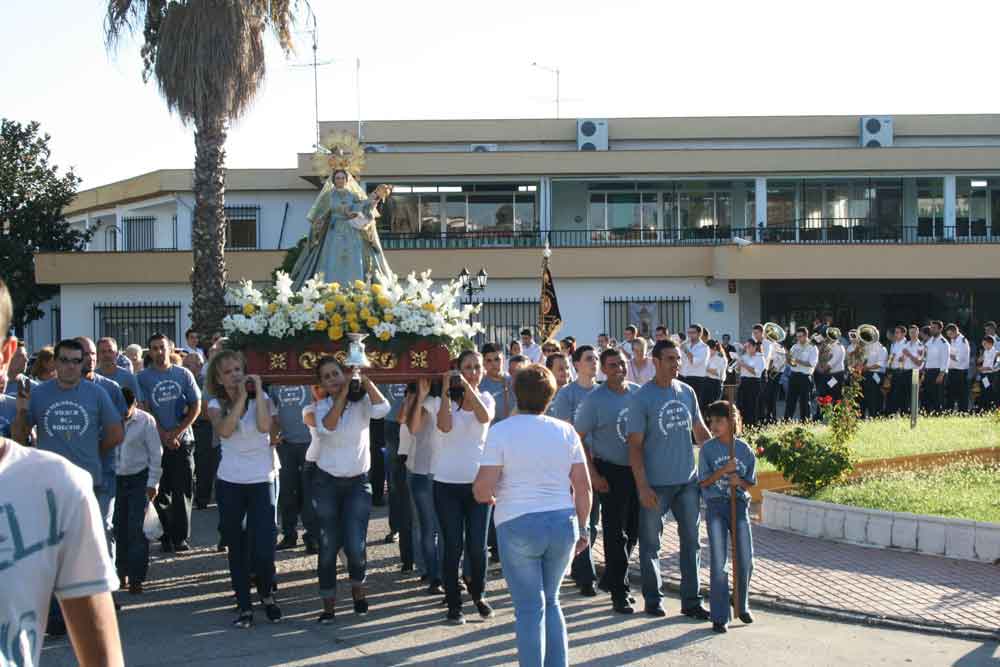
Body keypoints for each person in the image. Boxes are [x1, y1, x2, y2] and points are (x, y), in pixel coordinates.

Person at [0, 283, 124, 666]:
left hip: (85, 487)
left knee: (87, 559)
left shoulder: (59, 482)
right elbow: (23, 432)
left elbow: (115, 433)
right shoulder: (38, 394)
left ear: (5, 355)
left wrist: (85, 460)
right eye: (65, 360)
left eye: (76, 360)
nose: (71, 366)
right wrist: (22, 414)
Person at [474, 364, 591, 667]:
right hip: (561, 522)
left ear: (515, 393)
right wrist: (584, 528)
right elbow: (583, 487)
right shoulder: (565, 431)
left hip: (517, 521)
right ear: (550, 397)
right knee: (551, 601)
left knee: (528, 608)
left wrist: (495, 496)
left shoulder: (499, 432)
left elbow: (482, 490)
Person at [627, 339, 711, 620]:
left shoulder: (687, 392)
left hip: (687, 482)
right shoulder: (642, 398)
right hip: (655, 485)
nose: (677, 363)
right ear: (656, 362)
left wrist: (718, 456)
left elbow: (700, 431)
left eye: (678, 358)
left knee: (692, 542)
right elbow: (634, 446)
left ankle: (691, 601)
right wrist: (642, 486)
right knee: (651, 545)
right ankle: (653, 599)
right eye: (670, 359)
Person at [305, 356, 389, 623]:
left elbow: (383, 409)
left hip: (357, 483)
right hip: (327, 483)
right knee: (328, 546)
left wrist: (363, 379)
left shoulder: (363, 401)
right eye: (327, 377)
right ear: (321, 383)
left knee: (355, 544)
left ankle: (358, 592)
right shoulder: (321, 406)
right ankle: (328, 606)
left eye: (336, 374)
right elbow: (328, 427)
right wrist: (341, 396)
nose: (332, 380)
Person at [205, 350, 282, 627]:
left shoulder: (263, 400)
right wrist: (238, 400)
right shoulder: (214, 403)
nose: (235, 375)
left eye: (239, 369)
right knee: (236, 545)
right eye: (228, 372)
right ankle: (244, 604)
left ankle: (266, 593)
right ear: (218, 377)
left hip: (262, 479)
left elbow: (264, 428)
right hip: (231, 482)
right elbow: (225, 430)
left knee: (263, 545)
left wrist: (257, 391)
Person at [427, 350, 495, 625]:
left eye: (477, 367)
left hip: (477, 484)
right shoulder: (443, 402)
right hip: (446, 484)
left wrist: (468, 388)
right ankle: (454, 603)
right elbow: (444, 426)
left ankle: (478, 593)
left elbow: (483, 417)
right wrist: (447, 388)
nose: (473, 372)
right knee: (453, 544)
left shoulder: (487, 398)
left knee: (478, 547)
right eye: (467, 367)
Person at [575, 347, 641, 614]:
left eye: (622, 364)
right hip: (609, 471)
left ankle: (612, 578)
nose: (619, 369)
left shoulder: (639, 393)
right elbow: (577, 437)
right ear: (604, 370)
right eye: (613, 365)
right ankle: (619, 593)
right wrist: (593, 474)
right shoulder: (595, 400)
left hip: (637, 471)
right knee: (615, 533)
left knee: (634, 531)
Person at [137, 333, 202, 552]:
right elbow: (145, 408)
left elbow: (196, 405)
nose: (158, 352)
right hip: (156, 442)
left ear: (170, 349)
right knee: (160, 490)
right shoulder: (143, 378)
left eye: (161, 347)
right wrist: (163, 434)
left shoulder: (183, 374)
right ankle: (164, 535)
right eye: (154, 348)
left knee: (182, 489)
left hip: (183, 441)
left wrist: (176, 432)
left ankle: (181, 537)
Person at [698, 400, 756, 634]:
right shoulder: (708, 450)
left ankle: (741, 604)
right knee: (719, 560)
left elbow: (750, 482)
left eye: (719, 421)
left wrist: (738, 481)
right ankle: (719, 615)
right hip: (716, 507)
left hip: (738, 506)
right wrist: (723, 471)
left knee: (745, 557)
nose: (714, 426)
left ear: (732, 422)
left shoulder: (743, 450)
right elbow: (703, 481)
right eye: (711, 421)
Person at [549, 345, 599, 598]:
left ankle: (584, 570)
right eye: (589, 359)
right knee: (584, 518)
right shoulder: (567, 395)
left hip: (602, 462)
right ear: (577, 363)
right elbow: (567, 430)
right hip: (577, 463)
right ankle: (586, 575)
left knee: (596, 522)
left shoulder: (602, 392)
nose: (594, 363)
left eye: (596, 359)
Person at [290, 168, 394, 289]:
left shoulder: (353, 195)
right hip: (334, 231)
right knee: (332, 259)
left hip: (351, 231)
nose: (340, 180)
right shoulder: (328, 196)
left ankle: (356, 287)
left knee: (353, 259)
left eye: (342, 178)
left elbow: (363, 206)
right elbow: (321, 214)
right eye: (337, 178)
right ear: (333, 180)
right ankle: (330, 288)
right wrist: (319, 223)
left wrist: (376, 196)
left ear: (347, 179)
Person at [114, 386, 162, 595]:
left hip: (139, 479)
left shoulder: (146, 421)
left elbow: (156, 454)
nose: (124, 413)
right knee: (117, 527)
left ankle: (136, 577)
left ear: (135, 404)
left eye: (128, 408)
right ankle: (120, 571)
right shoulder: (109, 419)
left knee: (136, 529)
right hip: (114, 479)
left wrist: (153, 483)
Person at [401, 380, 444, 594]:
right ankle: (433, 574)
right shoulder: (427, 402)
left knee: (444, 529)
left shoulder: (450, 400)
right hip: (424, 472)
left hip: (447, 473)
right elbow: (413, 427)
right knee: (428, 527)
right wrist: (419, 397)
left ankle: (445, 573)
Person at [270, 384, 318, 552]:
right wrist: (274, 433)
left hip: (310, 443)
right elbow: (272, 411)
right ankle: (289, 534)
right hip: (286, 444)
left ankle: (312, 536)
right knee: (287, 492)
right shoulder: (277, 381)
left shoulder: (308, 379)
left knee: (309, 492)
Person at [784, 328, 818, 422]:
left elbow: (811, 363)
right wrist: (787, 359)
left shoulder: (812, 347)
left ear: (806, 336)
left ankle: (805, 422)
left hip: (805, 377)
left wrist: (796, 360)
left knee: (805, 402)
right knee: (790, 401)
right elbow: (792, 364)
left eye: (800, 336)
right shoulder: (795, 346)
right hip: (794, 375)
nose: (798, 338)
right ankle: (786, 421)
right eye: (797, 336)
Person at [480, 343, 513, 424]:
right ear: (483, 363)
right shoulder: (479, 386)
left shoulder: (514, 381)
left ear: (503, 359)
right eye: (489, 361)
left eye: (497, 359)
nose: (494, 364)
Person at [922, 320, 950, 414]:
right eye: (931, 328)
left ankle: (938, 414)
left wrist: (941, 374)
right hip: (928, 372)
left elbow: (945, 360)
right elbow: (925, 358)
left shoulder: (943, 343)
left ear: (940, 329)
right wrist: (924, 372)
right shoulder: (929, 342)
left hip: (938, 372)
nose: (932, 330)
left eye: (934, 328)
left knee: (938, 396)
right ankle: (928, 413)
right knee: (928, 395)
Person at [736, 339, 765, 428]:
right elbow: (738, 371)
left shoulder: (760, 357)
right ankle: (742, 427)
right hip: (743, 382)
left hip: (754, 383)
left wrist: (744, 365)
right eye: (746, 347)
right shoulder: (744, 357)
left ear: (754, 347)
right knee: (741, 406)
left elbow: (756, 372)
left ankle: (752, 427)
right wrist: (738, 365)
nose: (747, 348)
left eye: (749, 346)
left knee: (752, 407)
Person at [679, 324, 709, 408]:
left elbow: (694, 362)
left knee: (694, 405)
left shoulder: (704, 347)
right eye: (688, 332)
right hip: (682, 377)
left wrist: (685, 349)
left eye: (693, 332)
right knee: (681, 404)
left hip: (696, 380)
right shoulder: (686, 345)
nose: (690, 335)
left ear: (699, 334)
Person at [944, 323, 970, 413]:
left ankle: (963, 413)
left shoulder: (962, 341)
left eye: (950, 334)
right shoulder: (953, 340)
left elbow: (959, 359)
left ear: (955, 331)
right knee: (950, 394)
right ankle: (948, 412)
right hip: (952, 371)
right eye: (948, 335)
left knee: (961, 395)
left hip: (960, 372)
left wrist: (948, 355)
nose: (950, 336)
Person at [703, 339, 728, 408]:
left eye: (708, 350)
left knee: (713, 407)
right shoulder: (707, 356)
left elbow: (717, 372)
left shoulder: (720, 357)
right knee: (704, 406)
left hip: (715, 383)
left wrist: (703, 368)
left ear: (714, 348)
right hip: (705, 382)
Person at [977, 336, 999, 411]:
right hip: (984, 375)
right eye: (983, 344)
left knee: (991, 391)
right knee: (985, 391)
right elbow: (981, 361)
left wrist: (984, 368)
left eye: (985, 344)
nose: (983, 345)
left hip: (991, 376)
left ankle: (992, 408)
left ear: (990, 343)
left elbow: (994, 366)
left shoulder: (996, 353)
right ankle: (985, 408)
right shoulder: (985, 351)